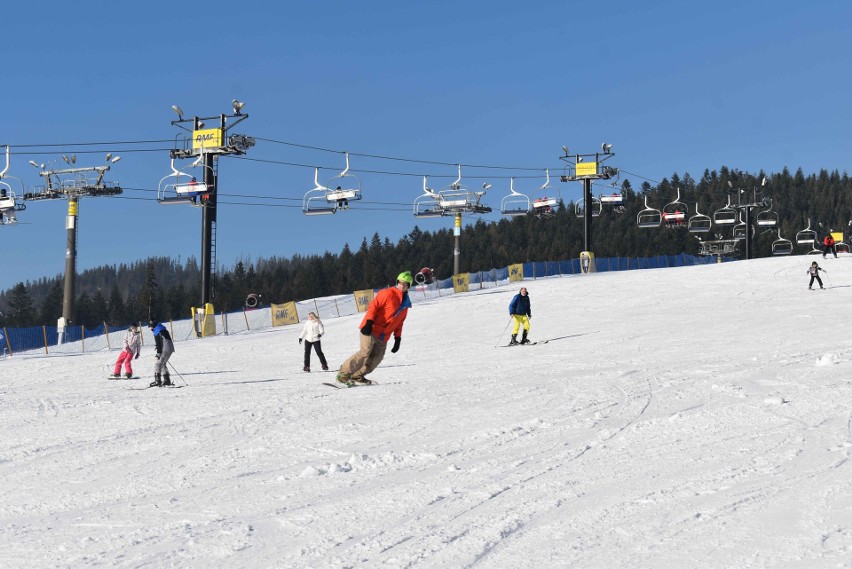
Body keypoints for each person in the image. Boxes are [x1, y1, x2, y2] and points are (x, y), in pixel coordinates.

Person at [337, 271, 413, 386]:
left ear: (409, 286)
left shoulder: (406, 305)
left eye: (406, 284)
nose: (402, 285)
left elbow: (399, 322)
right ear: (397, 282)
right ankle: (343, 374)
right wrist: (368, 322)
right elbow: (373, 306)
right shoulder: (387, 293)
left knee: (377, 358)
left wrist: (397, 338)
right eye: (400, 283)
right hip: (370, 328)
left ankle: (357, 375)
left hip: (383, 335)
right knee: (365, 352)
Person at [148, 320, 175, 387]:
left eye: (150, 327)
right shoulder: (161, 328)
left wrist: (158, 354)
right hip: (170, 348)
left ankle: (158, 380)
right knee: (162, 363)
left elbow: (159, 344)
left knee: (158, 363)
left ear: (153, 326)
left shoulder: (157, 331)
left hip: (165, 348)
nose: (150, 328)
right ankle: (166, 380)